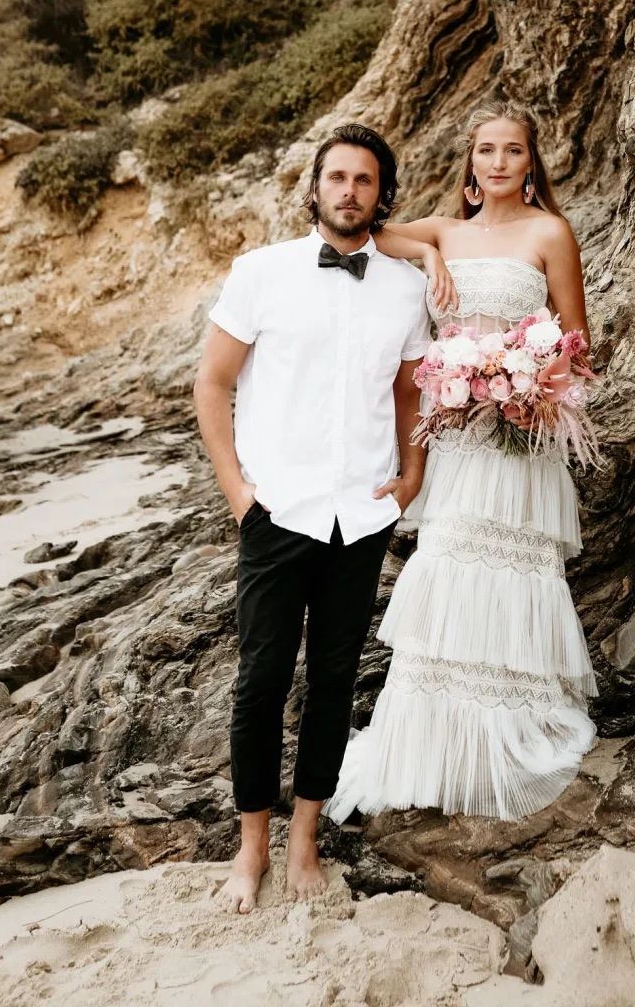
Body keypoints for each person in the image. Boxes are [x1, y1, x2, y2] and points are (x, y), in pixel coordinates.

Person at [193, 123, 451, 914]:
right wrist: (240, 494)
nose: (349, 191)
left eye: (364, 180)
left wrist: (413, 473)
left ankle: (305, 835)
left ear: (382, 194)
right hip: (278, 510)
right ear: (314, 189)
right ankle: (250, 849)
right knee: (262, 681)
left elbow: (410, 389)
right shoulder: (261, 272)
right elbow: (211, 384)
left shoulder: (405, 288)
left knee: (336, 680)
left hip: (363, 513)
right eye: (336, 177)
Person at [325, 100, 597, 825]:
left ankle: (509, 730)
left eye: (512, 151)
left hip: (517, 433)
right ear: (470, 164)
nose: (498, 162)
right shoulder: (444, 228)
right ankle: (434, 741)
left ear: (531, 163)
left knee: (510, 570)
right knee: (447, 564)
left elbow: (576, 344)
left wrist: (529, 384)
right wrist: (434, 253)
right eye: (486, 151)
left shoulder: (550, 232)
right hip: (455, 438)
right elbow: (370, 236)